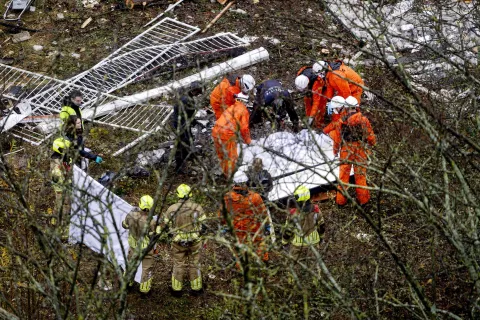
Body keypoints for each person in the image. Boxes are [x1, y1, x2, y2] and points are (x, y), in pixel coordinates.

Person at [50, 116, 103, 239]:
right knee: (64, 205)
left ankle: (54, 220)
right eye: (78, 123)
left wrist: (92, 157)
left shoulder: (62, 156)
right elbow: (58, 180)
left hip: (66, 176)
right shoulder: (57, 166)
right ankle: (64, 233)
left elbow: (77, 151)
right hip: (62, 184)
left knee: (61, 203)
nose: (80, 124)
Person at [329, 97, 376, 206]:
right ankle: (364, 201)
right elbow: (370, 136)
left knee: (343, 177)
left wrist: (335, 151)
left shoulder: (341, 121)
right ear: (356, 106)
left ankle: (340, 201)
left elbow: (337, 138)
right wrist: (372, 144)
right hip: (360, 149)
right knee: (360, 176)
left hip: (346, 149)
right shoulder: (363, 120)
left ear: (345, 106)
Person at [163, 184, 207, 297]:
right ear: (190, 195)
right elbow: (205, 225)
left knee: (178, 264)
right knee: (194, 264)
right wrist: (198, 235)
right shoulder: (197, 208)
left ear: (178, 194)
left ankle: (176, 290)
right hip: (195, 242)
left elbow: (166, 226)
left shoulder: (171, 209)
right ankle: (196, 289)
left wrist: (173, 236)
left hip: (178, 242)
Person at [220, 172, 270, 269]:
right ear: (246, 182)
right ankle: (263, 263)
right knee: (259, 244)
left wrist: (225, 226)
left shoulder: (227, 197)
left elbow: (223, 214)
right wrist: (267, 225)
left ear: (234, 183)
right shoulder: (255, 197)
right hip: (254, 227)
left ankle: (241, 268)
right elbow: (263, 213)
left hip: (238, 228)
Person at [281, 186, 325, 284]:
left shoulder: (292, 213)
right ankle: (316, 282)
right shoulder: (316, 210)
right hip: (313, 243)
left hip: (297, 244)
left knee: (293, 263)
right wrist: (321, 237)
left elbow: (288, 230)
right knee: (314, 263)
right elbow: (321, 226)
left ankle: (291, 282)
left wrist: (284, 242)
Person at [122, 195, 157, 294]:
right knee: (146, 269)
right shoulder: (151, 221)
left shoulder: (131, 215)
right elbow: (153, 236)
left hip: (133, 247)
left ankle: (126, 285)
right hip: (146, 249)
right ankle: (144, 290)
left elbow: (124, 225)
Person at [212, 93, 252, 178]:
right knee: (231, 158)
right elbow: (244, 128)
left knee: (222, 155)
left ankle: (225, 173)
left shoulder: (231, 107)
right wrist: (248, 141)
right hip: (226, 135)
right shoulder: (243, 110)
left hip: (216, 132)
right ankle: (231, 178)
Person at [171, 81, 203, 173]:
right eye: (198, 92)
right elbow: (186, 115)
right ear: (194, 90)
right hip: (181, 125)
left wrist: (193, 121)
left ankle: (185, 159)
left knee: (187, 142)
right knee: (182, 145)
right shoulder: (187, 100)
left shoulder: (185, 95)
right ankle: (179, 167)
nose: (198, 95)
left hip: (181, 123)